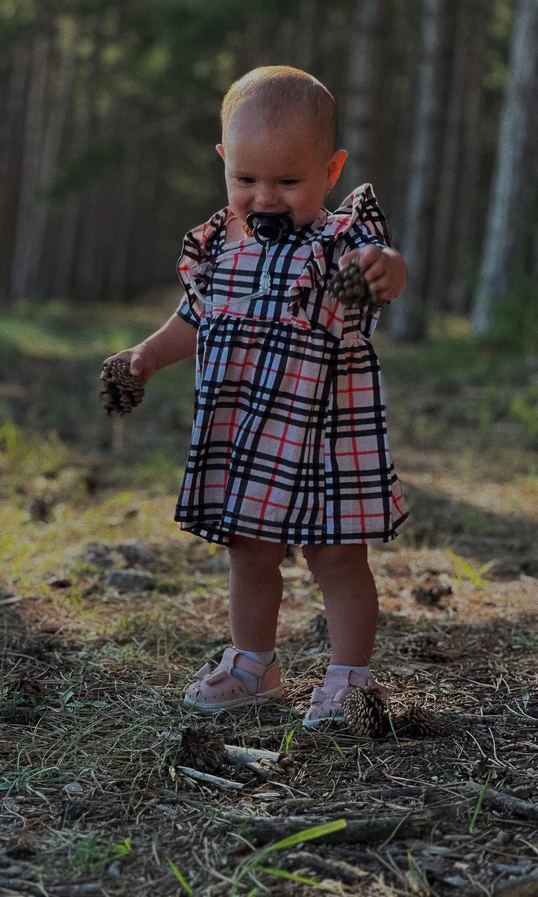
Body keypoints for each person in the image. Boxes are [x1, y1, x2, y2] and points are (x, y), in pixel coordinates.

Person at [104, 66, 408, 728]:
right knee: (249, 549)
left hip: (326, 435)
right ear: (224, 163)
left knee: (337, 555)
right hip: (251, 434)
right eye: (246, 180)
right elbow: (193, 318)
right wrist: (147, 357)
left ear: (330, 171)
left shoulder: (339, 241)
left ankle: (350, 678)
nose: (264, 197)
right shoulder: (218, 250)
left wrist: (383, 269)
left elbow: (382, 265)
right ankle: (253, 662)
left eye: (288, 182)